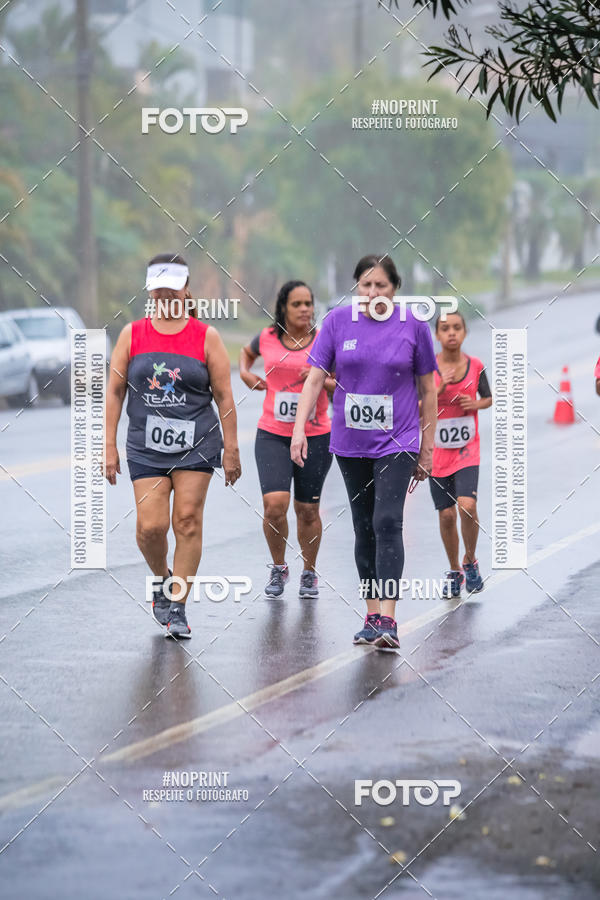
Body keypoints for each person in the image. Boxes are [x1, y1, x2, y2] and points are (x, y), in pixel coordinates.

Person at [291, 255, 437, 649]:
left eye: (381, 286)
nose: (373, 293)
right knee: (364, 525)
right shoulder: (337, 322)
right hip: (351, 441)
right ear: (357, 286)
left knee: (387, 520)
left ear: (395, 288)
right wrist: (299, 429)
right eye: (366, 285)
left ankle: (389, 617)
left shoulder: (414, 325)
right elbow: (314, 379)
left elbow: (428, 390)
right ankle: (372, 615)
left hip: (398, 440)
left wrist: (427, 448)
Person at [105, 253, 241, 639]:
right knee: (151, 528)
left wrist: (231, 449)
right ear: (150, 292)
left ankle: (178, 606)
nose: (165, 295)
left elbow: (224, 396)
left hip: (197, 442)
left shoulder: (206, 337)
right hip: (145, 445)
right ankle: (162, 579)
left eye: (172, 288)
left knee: (187, 520)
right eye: (158, 289)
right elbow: (114, 391)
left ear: (186, 290)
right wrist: (108, 445)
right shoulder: (132, 334)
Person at [239, 281, 335, 598]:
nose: (305, 309)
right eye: (297, 304)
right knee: (274, 506)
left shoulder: (324, 340)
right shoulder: (267, 337)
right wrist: (245, 373)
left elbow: (343, 382)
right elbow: (246, 352)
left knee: (307, 510)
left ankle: (309, 572)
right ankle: (279, 567)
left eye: (308, 303)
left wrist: (322, 378)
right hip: (273, 434)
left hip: (315, 435)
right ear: (283, 307)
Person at [429, 311, 492, 597]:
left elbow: (488, 397)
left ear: (465, 333)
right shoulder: (428, 369)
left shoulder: (475, 365)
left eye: (457, 327)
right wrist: (439, 388)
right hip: (437, 451)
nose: (451, 333)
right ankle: (454, 570)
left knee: (467, 506)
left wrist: (476, 404)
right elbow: (417, 407)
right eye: (445, 329)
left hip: (467, 449)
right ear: (437, 335)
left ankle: (470, 560)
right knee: (446, 515)